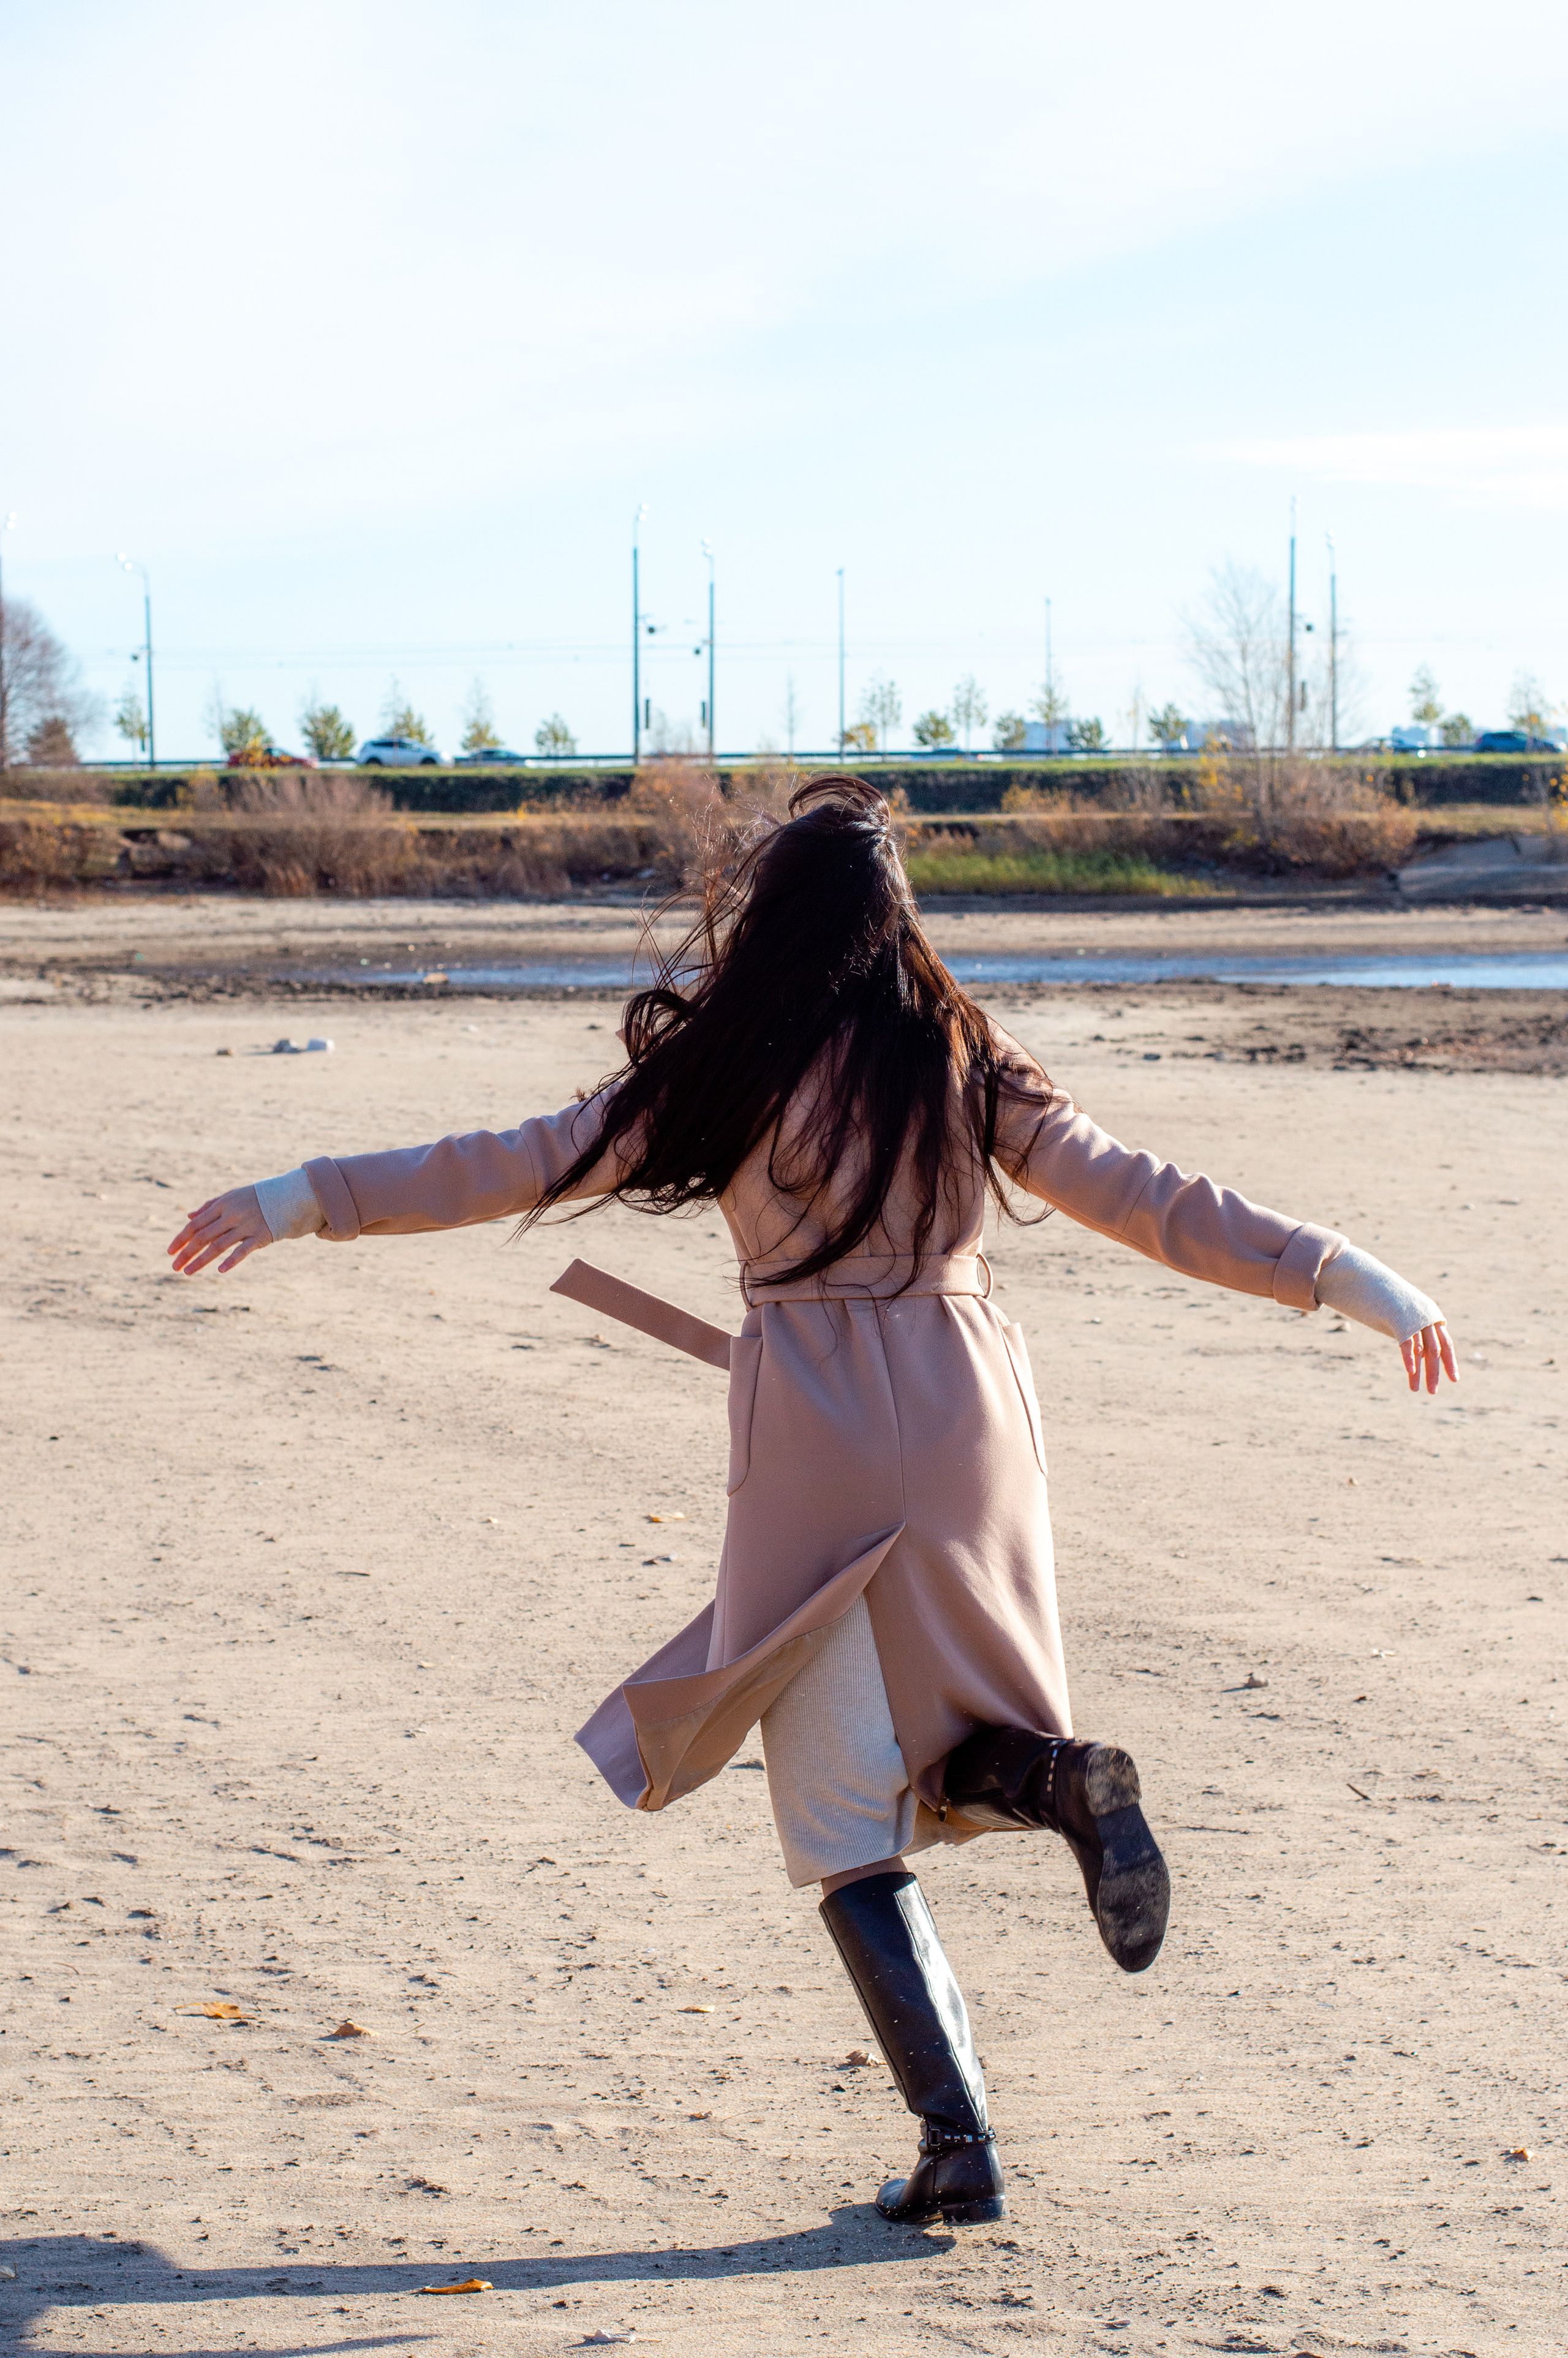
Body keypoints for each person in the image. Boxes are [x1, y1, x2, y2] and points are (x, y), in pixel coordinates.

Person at [168, 775, 1456, 2230]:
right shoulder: (962, 1056)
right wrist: (1348, 1274)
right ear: (895, 922)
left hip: (814, 1426)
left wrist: (300, 1197)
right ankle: (1056, 1784)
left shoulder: (731, 1060)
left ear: (770, 918)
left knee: (842, 1801)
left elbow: (513, 1160)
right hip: (972, 1411)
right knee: (961, 1723)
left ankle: (956, 2137)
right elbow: (1151, 1194)